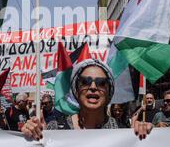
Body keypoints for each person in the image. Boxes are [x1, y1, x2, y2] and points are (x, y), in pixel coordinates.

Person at [21, 59, 153, 140]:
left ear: (109, 92)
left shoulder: (123, 132)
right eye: (85, 81)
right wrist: (31, 134)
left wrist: (143, 133)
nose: (93, 87)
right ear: (76, 90)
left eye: (101, 83)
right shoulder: (55, 129)